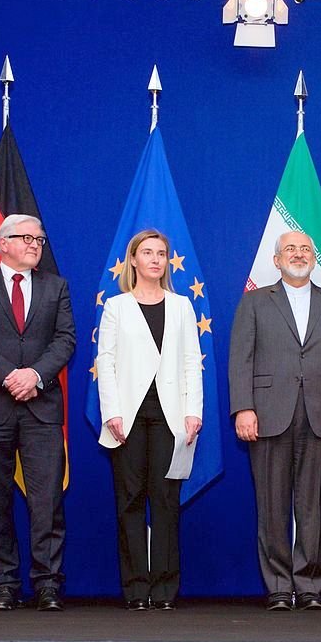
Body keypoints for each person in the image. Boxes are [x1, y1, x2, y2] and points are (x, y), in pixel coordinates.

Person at [229, 230, 321, 611]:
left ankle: (308, 587)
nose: (299, 254)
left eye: (306, 248)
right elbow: (241, 359)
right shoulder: (254, 302)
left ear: (314, 258)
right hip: (268, 414)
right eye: (290, 248)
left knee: (312, 506)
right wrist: (243, 408)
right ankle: (277, 587)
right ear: (276, 260)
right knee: (271, 505)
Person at [0, 214, 75, 612]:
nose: (34, 245)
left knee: (47, 503)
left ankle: (47, 584)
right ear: (1, 243)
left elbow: (65, 340)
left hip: (41, 408)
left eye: (39, 240)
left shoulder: (56, 286)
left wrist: (36, 376)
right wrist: (10, 375)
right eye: (26, 238)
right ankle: (3, 584)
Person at [96, 229, 203, 611]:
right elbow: (104, 361)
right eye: (148, 253)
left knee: (166, 502)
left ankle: (164, 588)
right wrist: (112, 411)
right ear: (134, 260)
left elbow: (193, 360)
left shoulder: (182, 306)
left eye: (162, 253)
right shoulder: (116, 306)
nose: (156, 259)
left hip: (170, 418)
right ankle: (136, 588)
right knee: (129, 502)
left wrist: (194, 411)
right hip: (127, 418)